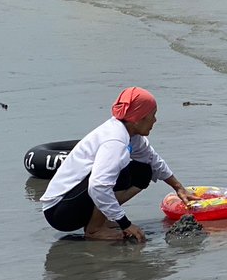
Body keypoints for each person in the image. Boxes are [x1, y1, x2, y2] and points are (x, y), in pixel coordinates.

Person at [40, 87, 193, 242]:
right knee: (121, 173)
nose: (155, 120)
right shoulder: (115, 140)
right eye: (152, 115)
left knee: (143, 171)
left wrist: (178, 187)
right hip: (60, 211)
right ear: (138, 118)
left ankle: (98, 218)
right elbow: (98, 186)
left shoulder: (130, 132)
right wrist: (125, 223)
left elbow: (152, 159)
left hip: (75, 200)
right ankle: (94, 229)